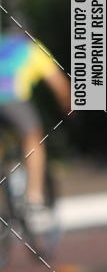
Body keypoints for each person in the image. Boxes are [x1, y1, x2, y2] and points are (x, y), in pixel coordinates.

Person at [0, 30, 71, 231]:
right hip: (12, 99)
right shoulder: (32, 48)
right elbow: (59, 84)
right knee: (33, 136)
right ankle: (34, 199)